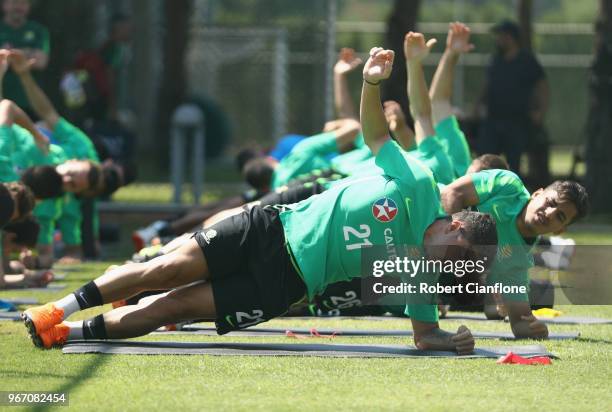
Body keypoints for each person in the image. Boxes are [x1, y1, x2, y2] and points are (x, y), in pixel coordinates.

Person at [22, 47, 498, 354]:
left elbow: (424, 334)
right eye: (456, 258)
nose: (446, 268)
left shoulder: (422, 270)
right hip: (269, 227)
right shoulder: (417, 180)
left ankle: (66, 334)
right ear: (455, 226)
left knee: (172, 308)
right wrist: (371, 83)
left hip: (285, 284)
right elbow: (375, 134)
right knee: (162, 269)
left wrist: (453, 339)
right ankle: (58, 309)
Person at [477, 20, 548, 175]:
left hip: (517, 122)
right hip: (493, 120)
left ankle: (512, 195)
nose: (498, 40)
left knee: (513, 165)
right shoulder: (495, 61)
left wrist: (540, 112)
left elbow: (542, 87)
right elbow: (486, 87)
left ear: (511, 38)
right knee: (484, 162)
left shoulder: (527, 61)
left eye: (501, 36)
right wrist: (476, 108)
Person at [0, 0, 48, 114]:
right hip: (1, 103)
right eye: (14, 2)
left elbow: (41, 62)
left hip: (30, 104)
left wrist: (8, 53)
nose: (19, 7)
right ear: (4, 4)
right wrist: (29, 52)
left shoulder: (39, 31)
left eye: (23, 2)